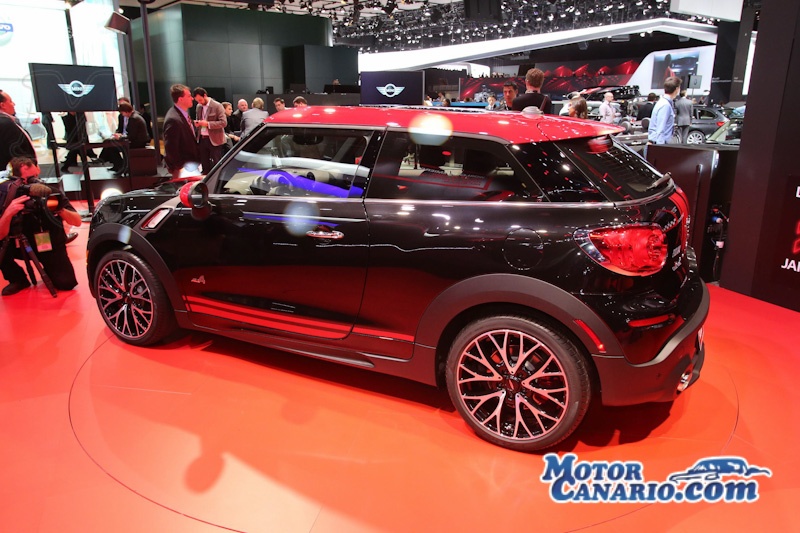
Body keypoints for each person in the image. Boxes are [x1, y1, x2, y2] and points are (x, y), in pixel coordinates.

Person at [0, 157, 81, 296]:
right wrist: (8, 212)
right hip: (19, 245)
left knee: (66, 283)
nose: (36, 179)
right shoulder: (7, 194)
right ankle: (18, 279)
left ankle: (50, 269)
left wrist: (58, 208)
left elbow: (77, 221)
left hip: (48, 243)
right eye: (29, 180)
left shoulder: (50, 192)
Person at [100, 102, 150, 173]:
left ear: (126, 111)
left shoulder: (134, 119)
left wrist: (120, 137)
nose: (122, 115)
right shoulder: (134, 116)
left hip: (137, 143)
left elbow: (131, 136)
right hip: (136, 141)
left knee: (112, 147)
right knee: (108, 142)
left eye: (122, 113)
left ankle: (117, 165)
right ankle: (110, 162)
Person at [163, 84, 200, 180]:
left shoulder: (182, 115)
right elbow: (170, 147)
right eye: (189, 96)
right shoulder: (173, 119)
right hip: (183, 168)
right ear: (181, 99)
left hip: (190, 165)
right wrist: (180, 167)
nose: (192, 98)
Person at [192, 87, 227, 174]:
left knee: (217, 164)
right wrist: (197, 123)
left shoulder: (217, 106)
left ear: (205, 95)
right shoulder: (199, 107)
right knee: (205, 164)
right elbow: (199, 119)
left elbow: (223, 123)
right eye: (197, 101)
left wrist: (208, 124)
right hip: (202, 138)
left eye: (200, 100)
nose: (199, 102)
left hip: (215, 139)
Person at [0, 90, 37, 170]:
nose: (14, 104)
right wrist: (30, 166)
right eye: (10, 101)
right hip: (14, 173)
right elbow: (16, 153)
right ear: (2, 105)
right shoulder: (5, 124)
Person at [648, 76, 681, 145]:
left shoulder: (662, 102)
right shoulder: (665, 105)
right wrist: (660, 148)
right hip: (658, 144)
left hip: (656, 143)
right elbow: (660, 129)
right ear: (677, 89)